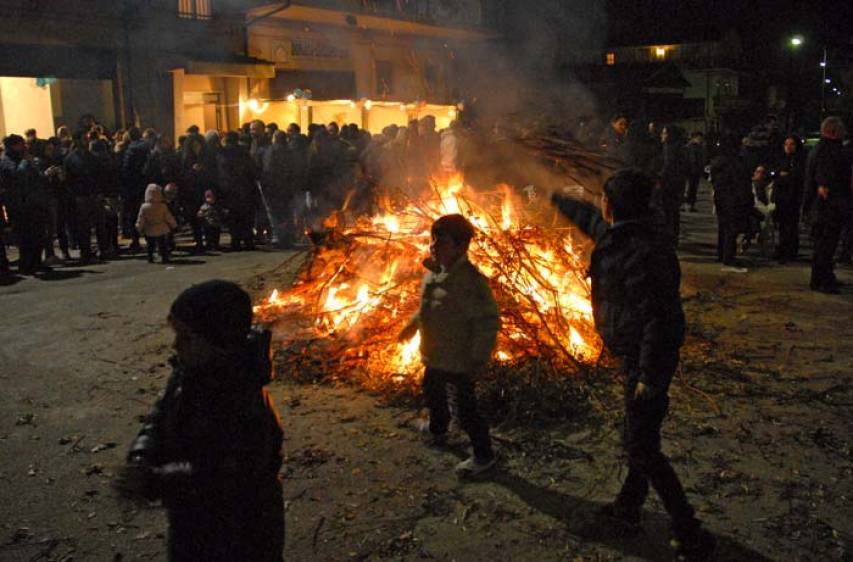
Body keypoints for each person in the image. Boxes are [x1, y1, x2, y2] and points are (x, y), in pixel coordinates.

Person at [551, 169, 716, 560]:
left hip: (649, 364)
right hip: (632, 357)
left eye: (604, 200)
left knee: (642, 446)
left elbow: (661, 321)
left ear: (615, 205)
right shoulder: (621, 234)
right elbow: (590, 219)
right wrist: (557, 199)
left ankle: (689, 530)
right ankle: (628, 507)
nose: (601, 206)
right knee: (639, 438)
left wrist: (648, 376)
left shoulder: (647, 252)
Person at [115, 280, 284, 561]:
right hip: (192, 525)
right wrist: (142, 453)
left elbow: (218, 473)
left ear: (220, 341)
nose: (176, 344)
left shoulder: (244, 402)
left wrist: (156, 479)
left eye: (187, 337)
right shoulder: (189, 371)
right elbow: (161, 413)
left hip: (242, 535)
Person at [398, 214, 500, 476]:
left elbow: (486, 322)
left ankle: (483, 455)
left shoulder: (470, 282)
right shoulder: (435, 274)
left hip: (460, 359)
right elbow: (426, 310)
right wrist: (411, 327)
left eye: (441, 242)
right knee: (433, 393)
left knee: (467, 410)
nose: (433, 246)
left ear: (460, 247)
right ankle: (439, 430)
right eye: (432, 240)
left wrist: (478, 358)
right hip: (434, 355)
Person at [806, 116, 852, 293]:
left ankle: (825, 277)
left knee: (825, 246)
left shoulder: (821, 149)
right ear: (834, 131)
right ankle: (821, 280)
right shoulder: (829, 151)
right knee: (825, 246)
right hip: (828, 208)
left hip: (825, 207)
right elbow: (825, 181)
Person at [710, 134, 754, 269]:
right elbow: (740, 182)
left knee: (723, 227)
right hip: (732, 198)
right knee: (731, 228)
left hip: (720, 197)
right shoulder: (735, 162)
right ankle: (728, 256)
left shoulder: (718, 161)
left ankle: (722, 253)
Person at [217, 131, 259, 251]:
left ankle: (236, 241)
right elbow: (252, 170)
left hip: (230, 191)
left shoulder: (223, 154)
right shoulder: (244, 153)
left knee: (234, 218)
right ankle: (248, 241)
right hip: (245, 190)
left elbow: (221, 173)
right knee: (246, 218)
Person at [772, 136, 805, 262]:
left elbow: (799, 176)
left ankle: (790, 250)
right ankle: (783, 249)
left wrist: (788, 176)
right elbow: (775, 173)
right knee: (782, 225)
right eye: (786, 144)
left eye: (791, 144)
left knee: (791, 225)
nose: (788, 147)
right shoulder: (781, 159)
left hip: (793, 197)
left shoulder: (799, 160)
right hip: (781, 196)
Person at [135, 183, 177, 263]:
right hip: (161, 227)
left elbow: (141, 218)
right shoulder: (162, 206)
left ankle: (150, 257)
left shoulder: (144, 207)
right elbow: (168, 216)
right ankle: (164, 257)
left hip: (149, 227)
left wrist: (139, 227)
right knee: (162, 244)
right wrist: (174, 224)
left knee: (150, 245)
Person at [684, 132, 706, 212]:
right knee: (690, 188)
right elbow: (693, 160)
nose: (701, 140)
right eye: (699, 138)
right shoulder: (691, 147)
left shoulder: (699, 147)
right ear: (695, 138)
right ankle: (688, 205)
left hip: (695, 171)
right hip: (691, 171)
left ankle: (691, 205)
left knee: (693, 188)